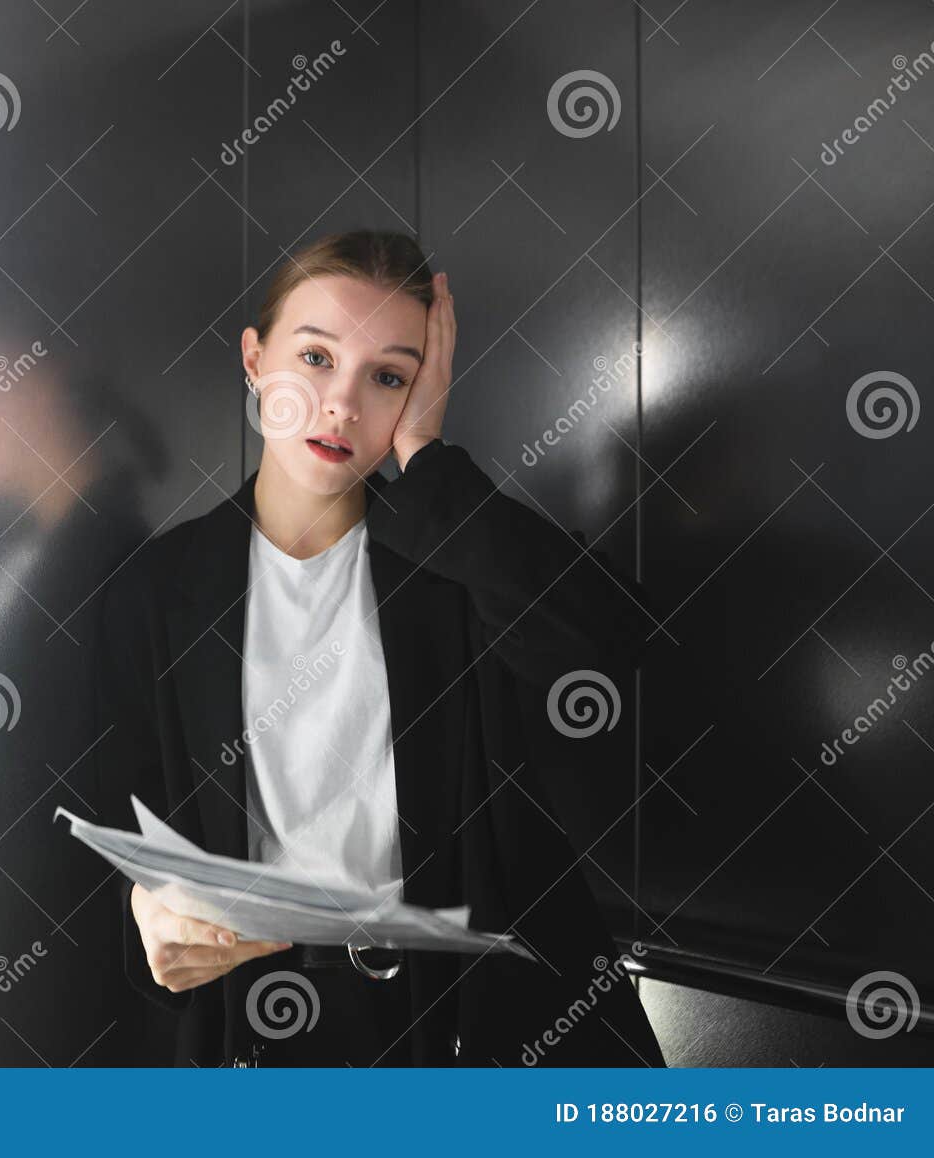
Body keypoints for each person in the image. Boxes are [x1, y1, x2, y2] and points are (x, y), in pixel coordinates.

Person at [94, 229, 666, 1067]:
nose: (342, 406)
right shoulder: (153, 593)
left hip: (458, 1035)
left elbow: (604, 645)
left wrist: (428, 463)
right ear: (255, 361)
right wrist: (148, 910)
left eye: (388, 376)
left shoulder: (459, 567)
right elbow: (119, 828)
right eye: (316, 358)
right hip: (249, 1038)